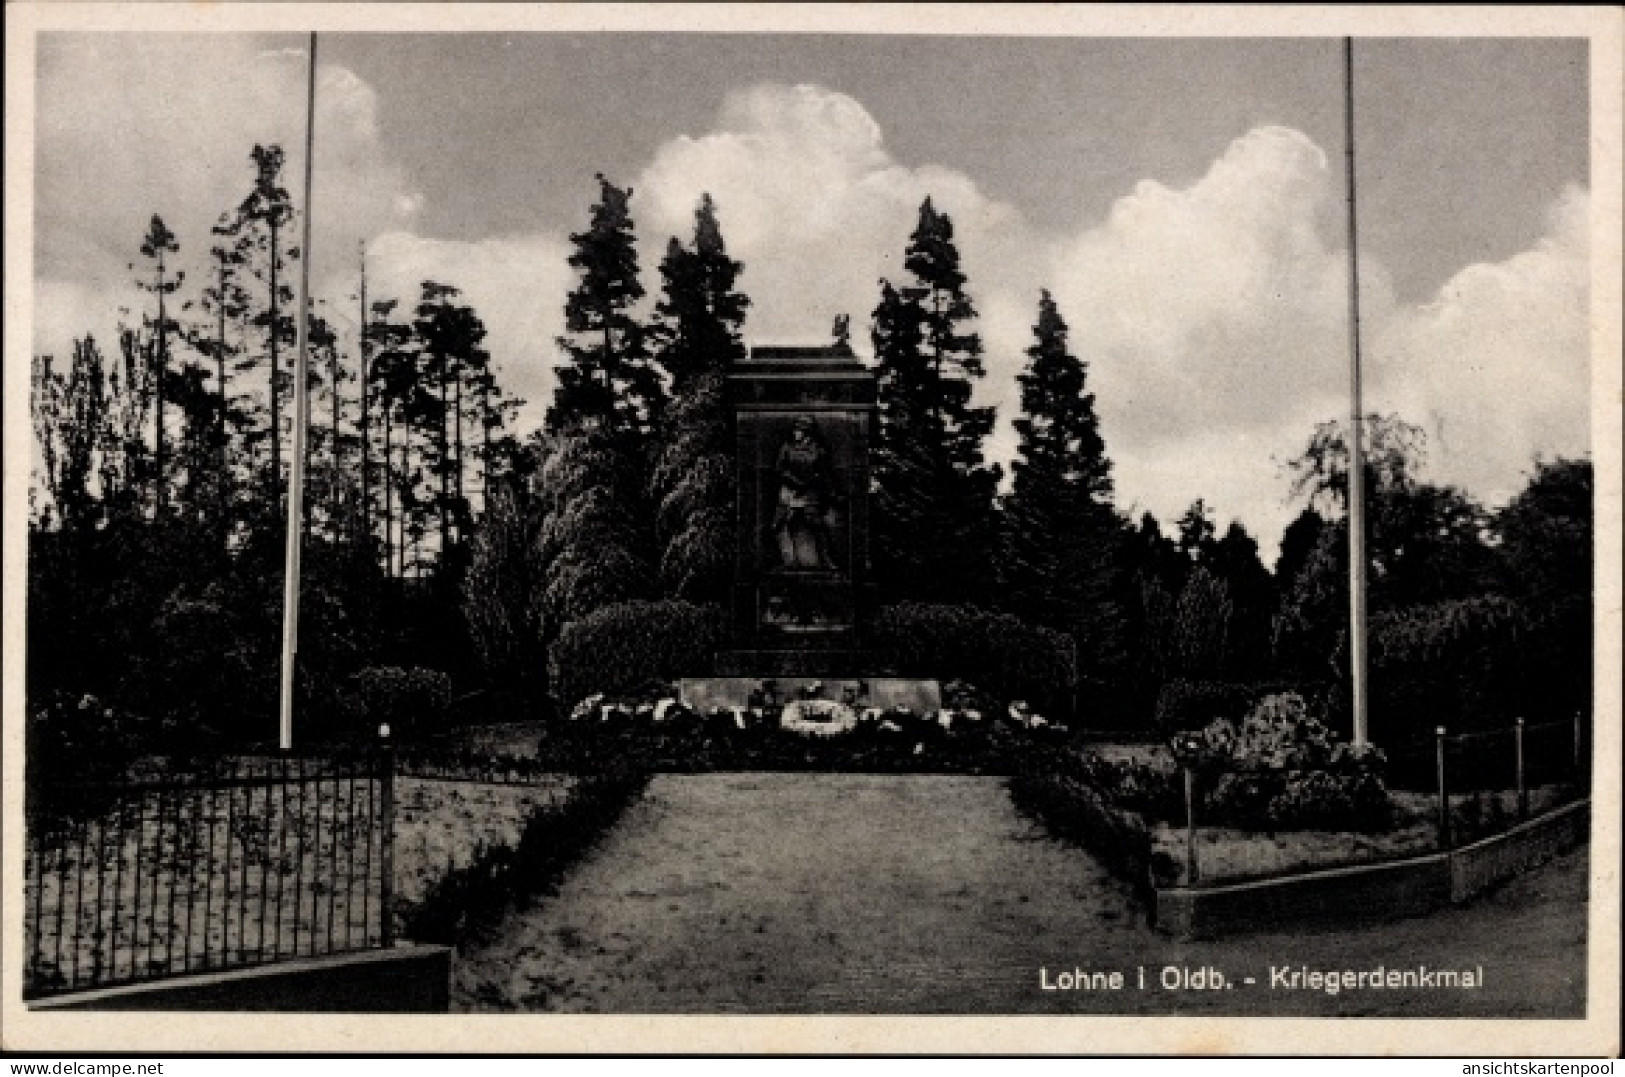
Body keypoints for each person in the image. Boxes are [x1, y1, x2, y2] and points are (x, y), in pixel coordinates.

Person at [773, 417, 839, 570]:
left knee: (816, 524)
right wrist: (793, 481)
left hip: (810, 491)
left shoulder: (818, 451)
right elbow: (779, 469)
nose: (796, 433)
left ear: (807, 432)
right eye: (795, 430)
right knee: (779, 525)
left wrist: (832, 492)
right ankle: (788, 561)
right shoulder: (787, 448)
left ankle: (827, 560)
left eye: (799, 430)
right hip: (789, 490)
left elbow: (825, 474)